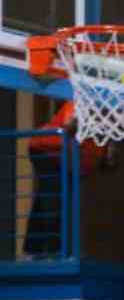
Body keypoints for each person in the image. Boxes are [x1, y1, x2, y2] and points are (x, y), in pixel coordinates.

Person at [24, 100, 109, 259]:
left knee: (50, 201)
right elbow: (70, 127)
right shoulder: (79, 103)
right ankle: (52, 251)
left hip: (64, 159)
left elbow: (99, 161)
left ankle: (37, 250)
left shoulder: (97, 149)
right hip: (45, 149)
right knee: (53, 201)